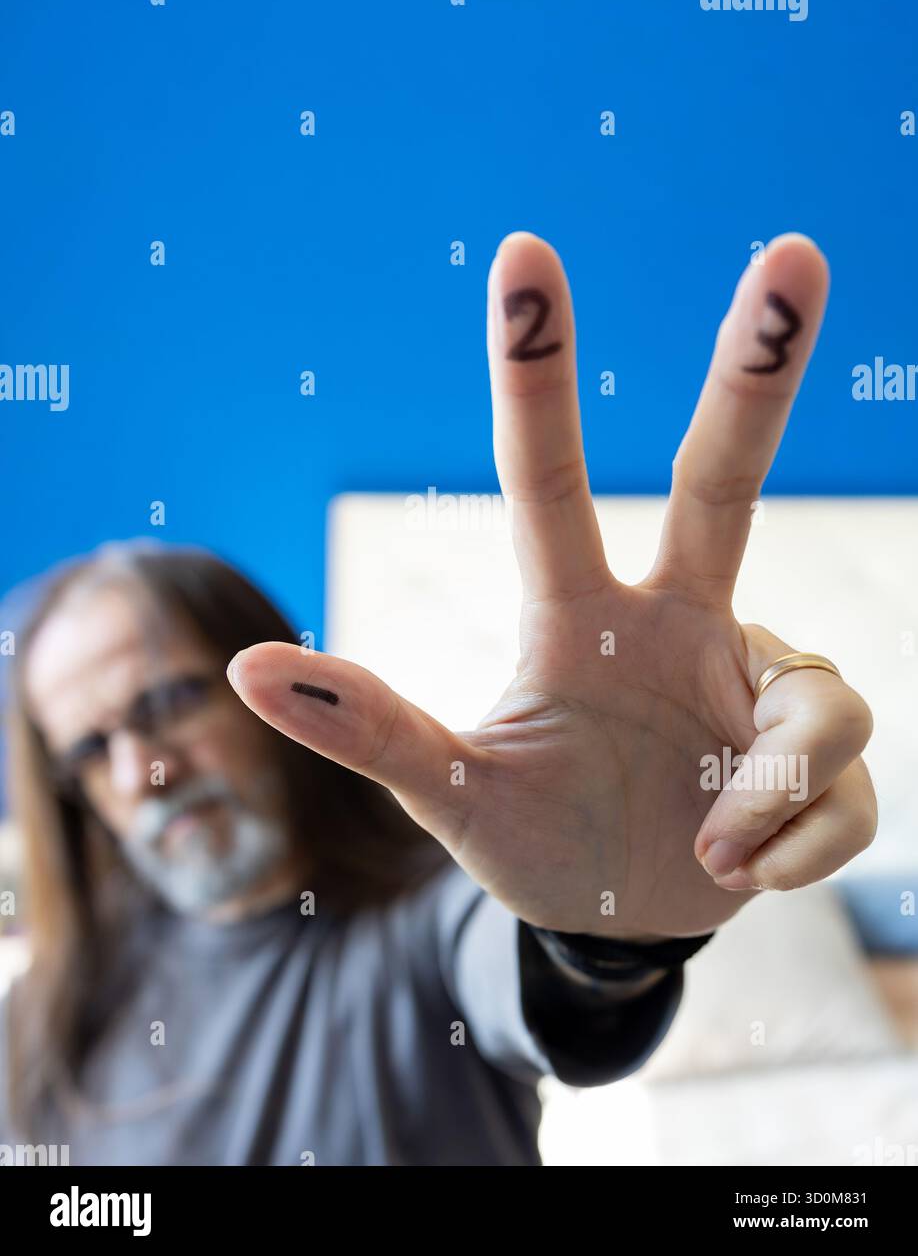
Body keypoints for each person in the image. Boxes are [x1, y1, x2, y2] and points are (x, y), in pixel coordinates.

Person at [0, 230, 876, 1166]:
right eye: (88, 750)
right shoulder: (43, 1021)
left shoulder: (436, 913)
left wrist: (605, 939)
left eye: (168, 702)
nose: (143, 769)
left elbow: (532, 966)